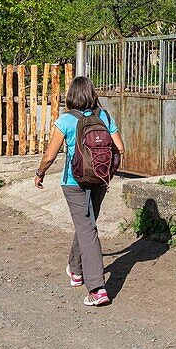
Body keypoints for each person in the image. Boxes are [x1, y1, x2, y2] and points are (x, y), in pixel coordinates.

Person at [35, 76, 124, 307]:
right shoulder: (104, 116)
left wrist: (40, 173)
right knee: (86, 225)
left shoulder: (65, 120)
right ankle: (75, 270)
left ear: (71, 96)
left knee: (86, 228)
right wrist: (106, 172)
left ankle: (97, 289)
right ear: (92, 94)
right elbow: (120, 148)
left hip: (74, 182)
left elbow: (50, 155)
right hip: (100, 180)